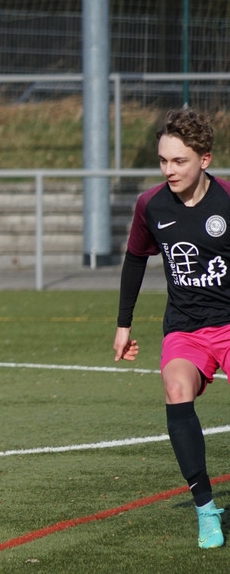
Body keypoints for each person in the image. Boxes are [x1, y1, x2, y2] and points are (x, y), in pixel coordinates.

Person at [113, 108, 230, 549]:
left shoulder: (228, 201)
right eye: (163, 160)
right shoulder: (151, 205)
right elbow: (134, 259)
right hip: (185, 327)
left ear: (204, 159)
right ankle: (206, 510)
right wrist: (123, 325)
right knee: (176, 389)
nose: (169, 170)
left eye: (179, 161)